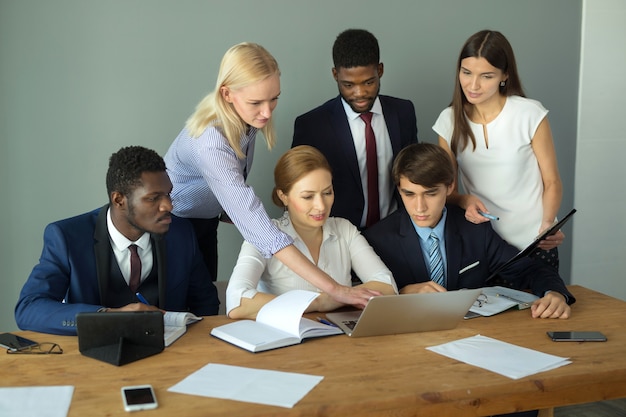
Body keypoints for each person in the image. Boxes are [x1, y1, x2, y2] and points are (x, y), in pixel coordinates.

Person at [164, 42, 377, 308]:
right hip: (172, 223)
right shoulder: (210, 140)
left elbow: (230, 179)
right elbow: (264, 234)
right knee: (182, 309)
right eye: (256, 102)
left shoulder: (245, 118)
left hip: (205, 219)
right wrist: (337, 290)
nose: (267, 112)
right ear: (227, 94)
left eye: (274, 98)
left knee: (205, 304)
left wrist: (226, 206)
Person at [15, 146, 220, 336]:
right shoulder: (67, 237)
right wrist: (107, 317)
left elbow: (206, 303)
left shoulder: (181, 233)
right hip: (94, 358)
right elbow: (28, 308)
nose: (168, 205)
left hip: (169, 354)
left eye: (168, 194)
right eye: (153, 198)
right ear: (119, 200)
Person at [363, 143, 575, 318]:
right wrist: (401, 293)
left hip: (470, 337)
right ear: (399, 189)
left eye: (430, 193)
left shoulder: (475, 231)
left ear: (449, 187)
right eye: (409, 194)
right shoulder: (378, 239)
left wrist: (555, 293)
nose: (420, 207)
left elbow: (529, 270)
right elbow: (358, 296)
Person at [433, 29, 564, 270]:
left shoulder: (530, 114)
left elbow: (552, 181)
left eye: (486, 76)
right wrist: (465, 200)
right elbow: (446, 192)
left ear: (504, 75)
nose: (473, 85)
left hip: (534, 243)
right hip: (484, 246)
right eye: (466, 72)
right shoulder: (448, 121)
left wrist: (547, 225)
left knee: (543, 306)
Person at [226, 145, 397, 319]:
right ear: (283, 196)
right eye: (308, 196)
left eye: (327, 193)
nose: (321, 206)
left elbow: (387, 286)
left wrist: (336, 297)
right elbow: (237, 302)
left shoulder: (344, 229)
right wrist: (320, 302)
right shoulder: (263, 236)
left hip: (344, 340)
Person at [292, 28, 418, 230]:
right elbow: (298, 192)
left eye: (368, 82)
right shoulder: (312, 126)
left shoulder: (403, 112)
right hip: (337, 238)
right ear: (335, 75)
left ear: (380, 70)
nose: (360, 93)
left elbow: (414, 175)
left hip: (397, 232)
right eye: (348, 85)